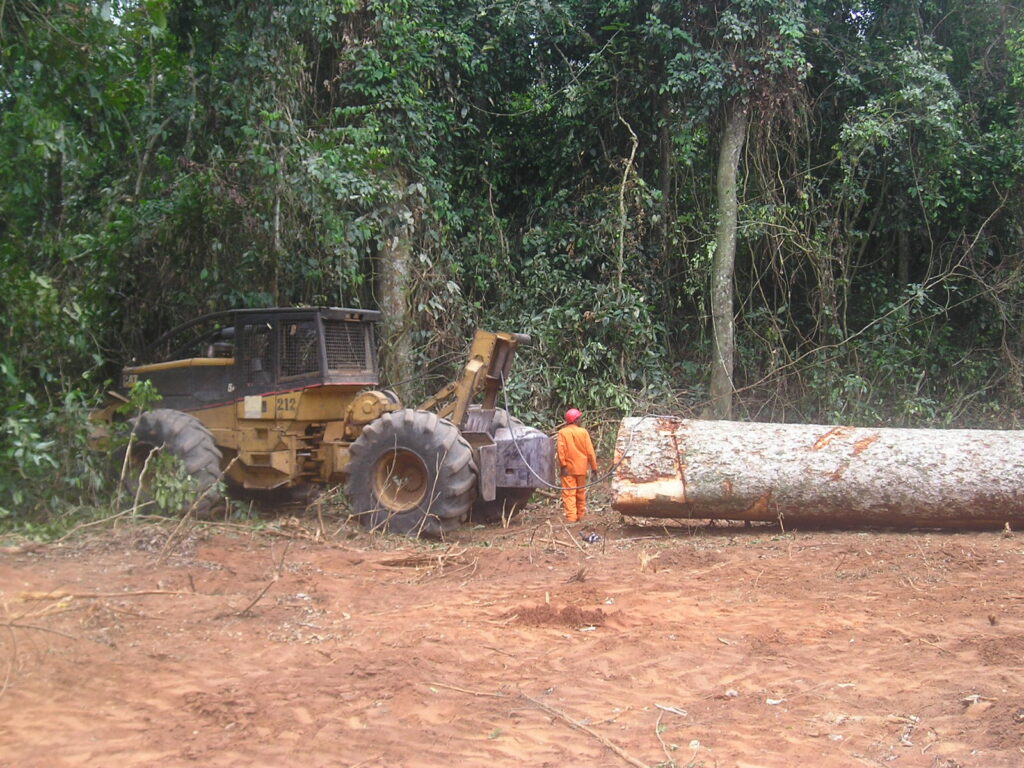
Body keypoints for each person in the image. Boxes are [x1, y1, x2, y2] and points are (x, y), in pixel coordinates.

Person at [556, 408, 598, 523]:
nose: (581, 420)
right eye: (579, 418)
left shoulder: (562, 433)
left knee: (569, 494)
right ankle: (580, 516)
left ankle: (571, 519)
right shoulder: (583, 432)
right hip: (581, 469)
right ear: (575, 420)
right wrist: (594, 468)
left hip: (568, 470)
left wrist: (563, 466)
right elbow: (590, 452)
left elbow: (561, 451)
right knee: (580, 493)